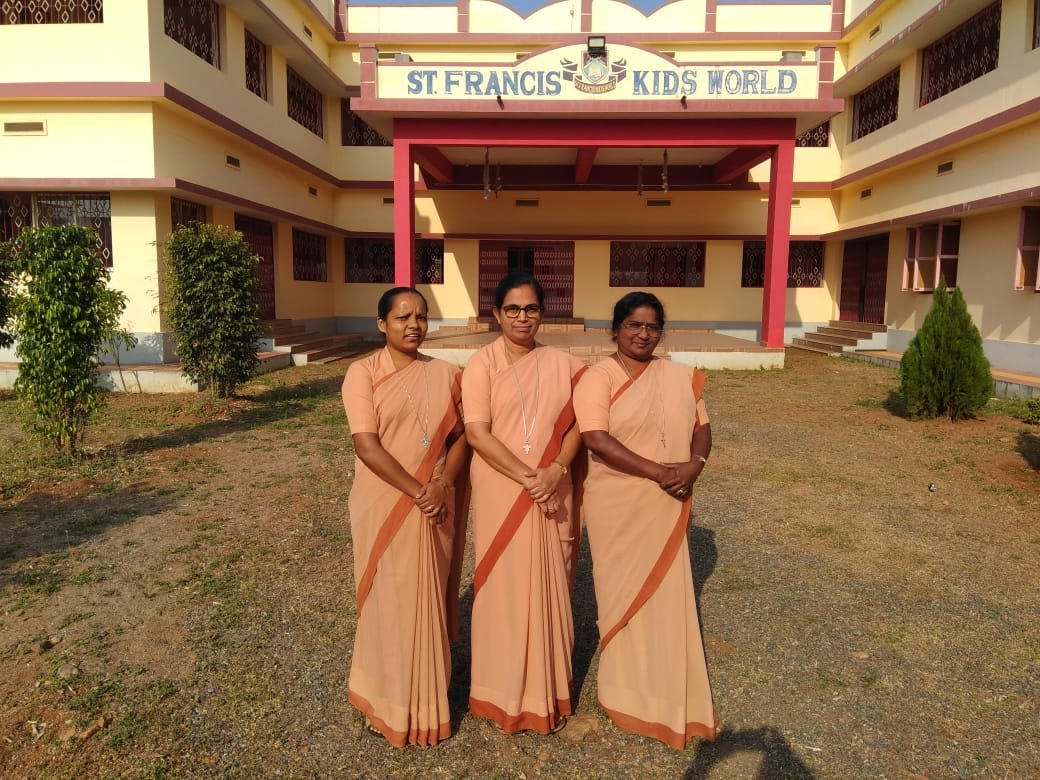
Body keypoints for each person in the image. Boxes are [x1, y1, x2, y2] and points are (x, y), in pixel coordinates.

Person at [572, 291, 717, 749]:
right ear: (616, 329)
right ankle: (625, 691)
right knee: (620, 595)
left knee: (666, 591)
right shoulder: (597, 378)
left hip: (669, 498)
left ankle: (665, 680)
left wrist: (693, 465)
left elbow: (702, 427)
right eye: (634, 325)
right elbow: (595, 438)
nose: (643, 334)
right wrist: (660, 472)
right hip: (618, 502)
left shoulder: (678, 376)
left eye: (653, 327)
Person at [340, 286, 469, 747]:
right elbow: (366, 446)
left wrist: (443, 483)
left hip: (435, 504)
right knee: (389, 602)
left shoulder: (447, 374)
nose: (414, 325)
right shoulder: (362, 374)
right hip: (387, 502)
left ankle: (428, 701)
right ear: (382, 324)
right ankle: (385, 700)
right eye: (402, 317)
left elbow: (461, 438)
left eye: (421, 316)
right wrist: (419, 491)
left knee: (427, 596)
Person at [461, 271, 586, 735]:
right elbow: (477, 433)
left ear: (542, 314)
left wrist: (556, 470)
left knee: (551, 575)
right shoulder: (481, 365)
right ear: (496, 314)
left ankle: (547, 687)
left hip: (553, 481)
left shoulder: (565, 365)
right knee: (504, 582)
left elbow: (581, 423)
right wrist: (529, 477)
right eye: (512, 309)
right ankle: (500, 688)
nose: (522, 317)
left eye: (531, 308)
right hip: (503, 484)